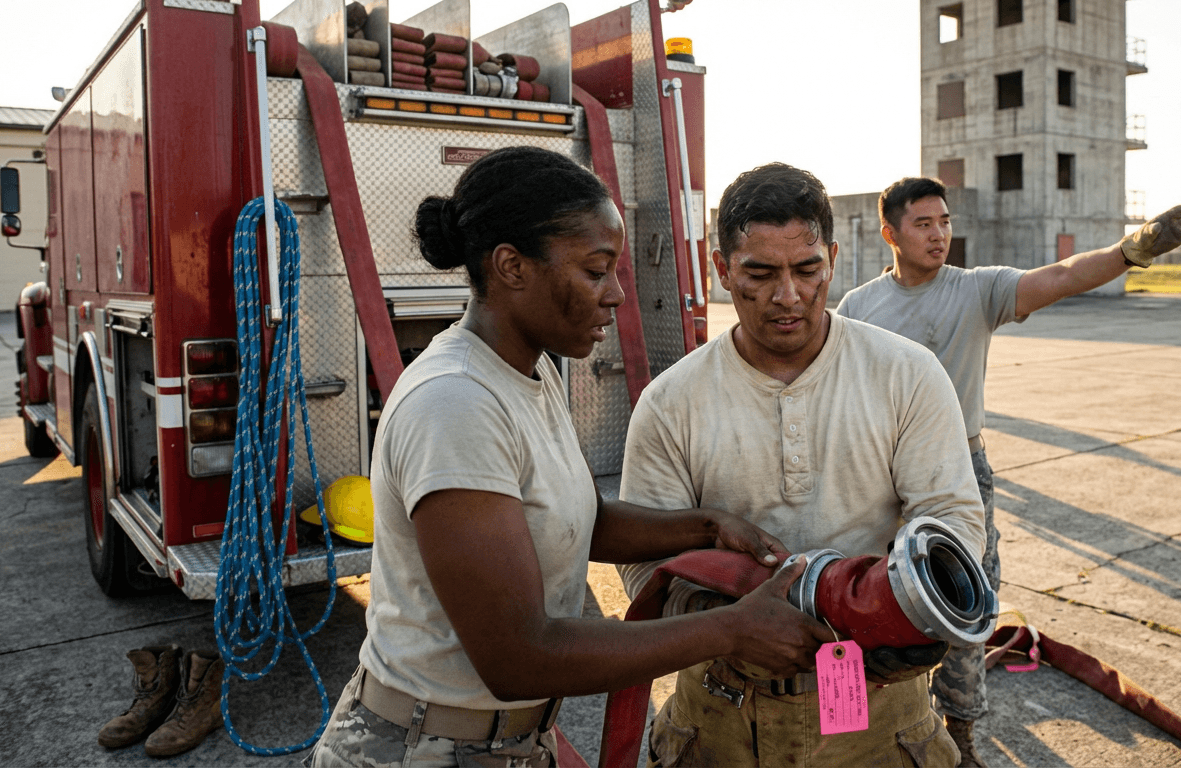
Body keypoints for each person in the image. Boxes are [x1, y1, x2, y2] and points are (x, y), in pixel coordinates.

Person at [306, 146, 832, 768]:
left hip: (512, 739)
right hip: (426, 746)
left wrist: (710, 525)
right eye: (595, 270)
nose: (615, 295)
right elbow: (520, 656)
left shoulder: (528, 372)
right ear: (511, 267)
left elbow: (588, 520)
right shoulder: (455, 404)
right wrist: (730, 630)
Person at [617, 162, 986, 767]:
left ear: (833, 259)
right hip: (720, 714)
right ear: (721, 270)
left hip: (877, 709)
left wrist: (903, 610)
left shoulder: (907, 373)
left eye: (807, 269)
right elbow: (644, 562)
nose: (787, 295)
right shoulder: (671, 401)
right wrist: (731, 624)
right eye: (760, 273)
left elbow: (954, 521)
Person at [836, 176, 1181, 767]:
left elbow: (1060, 276)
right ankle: (870, 726)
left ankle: (958, 732)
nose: (940, 235)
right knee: (861, 592)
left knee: (966, 598)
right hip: (876, 470)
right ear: (891, 233)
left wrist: (1130, 249)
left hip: (957, 467)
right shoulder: (859, 306)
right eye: (923, 224)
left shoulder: (977, 289)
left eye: (945, 222)